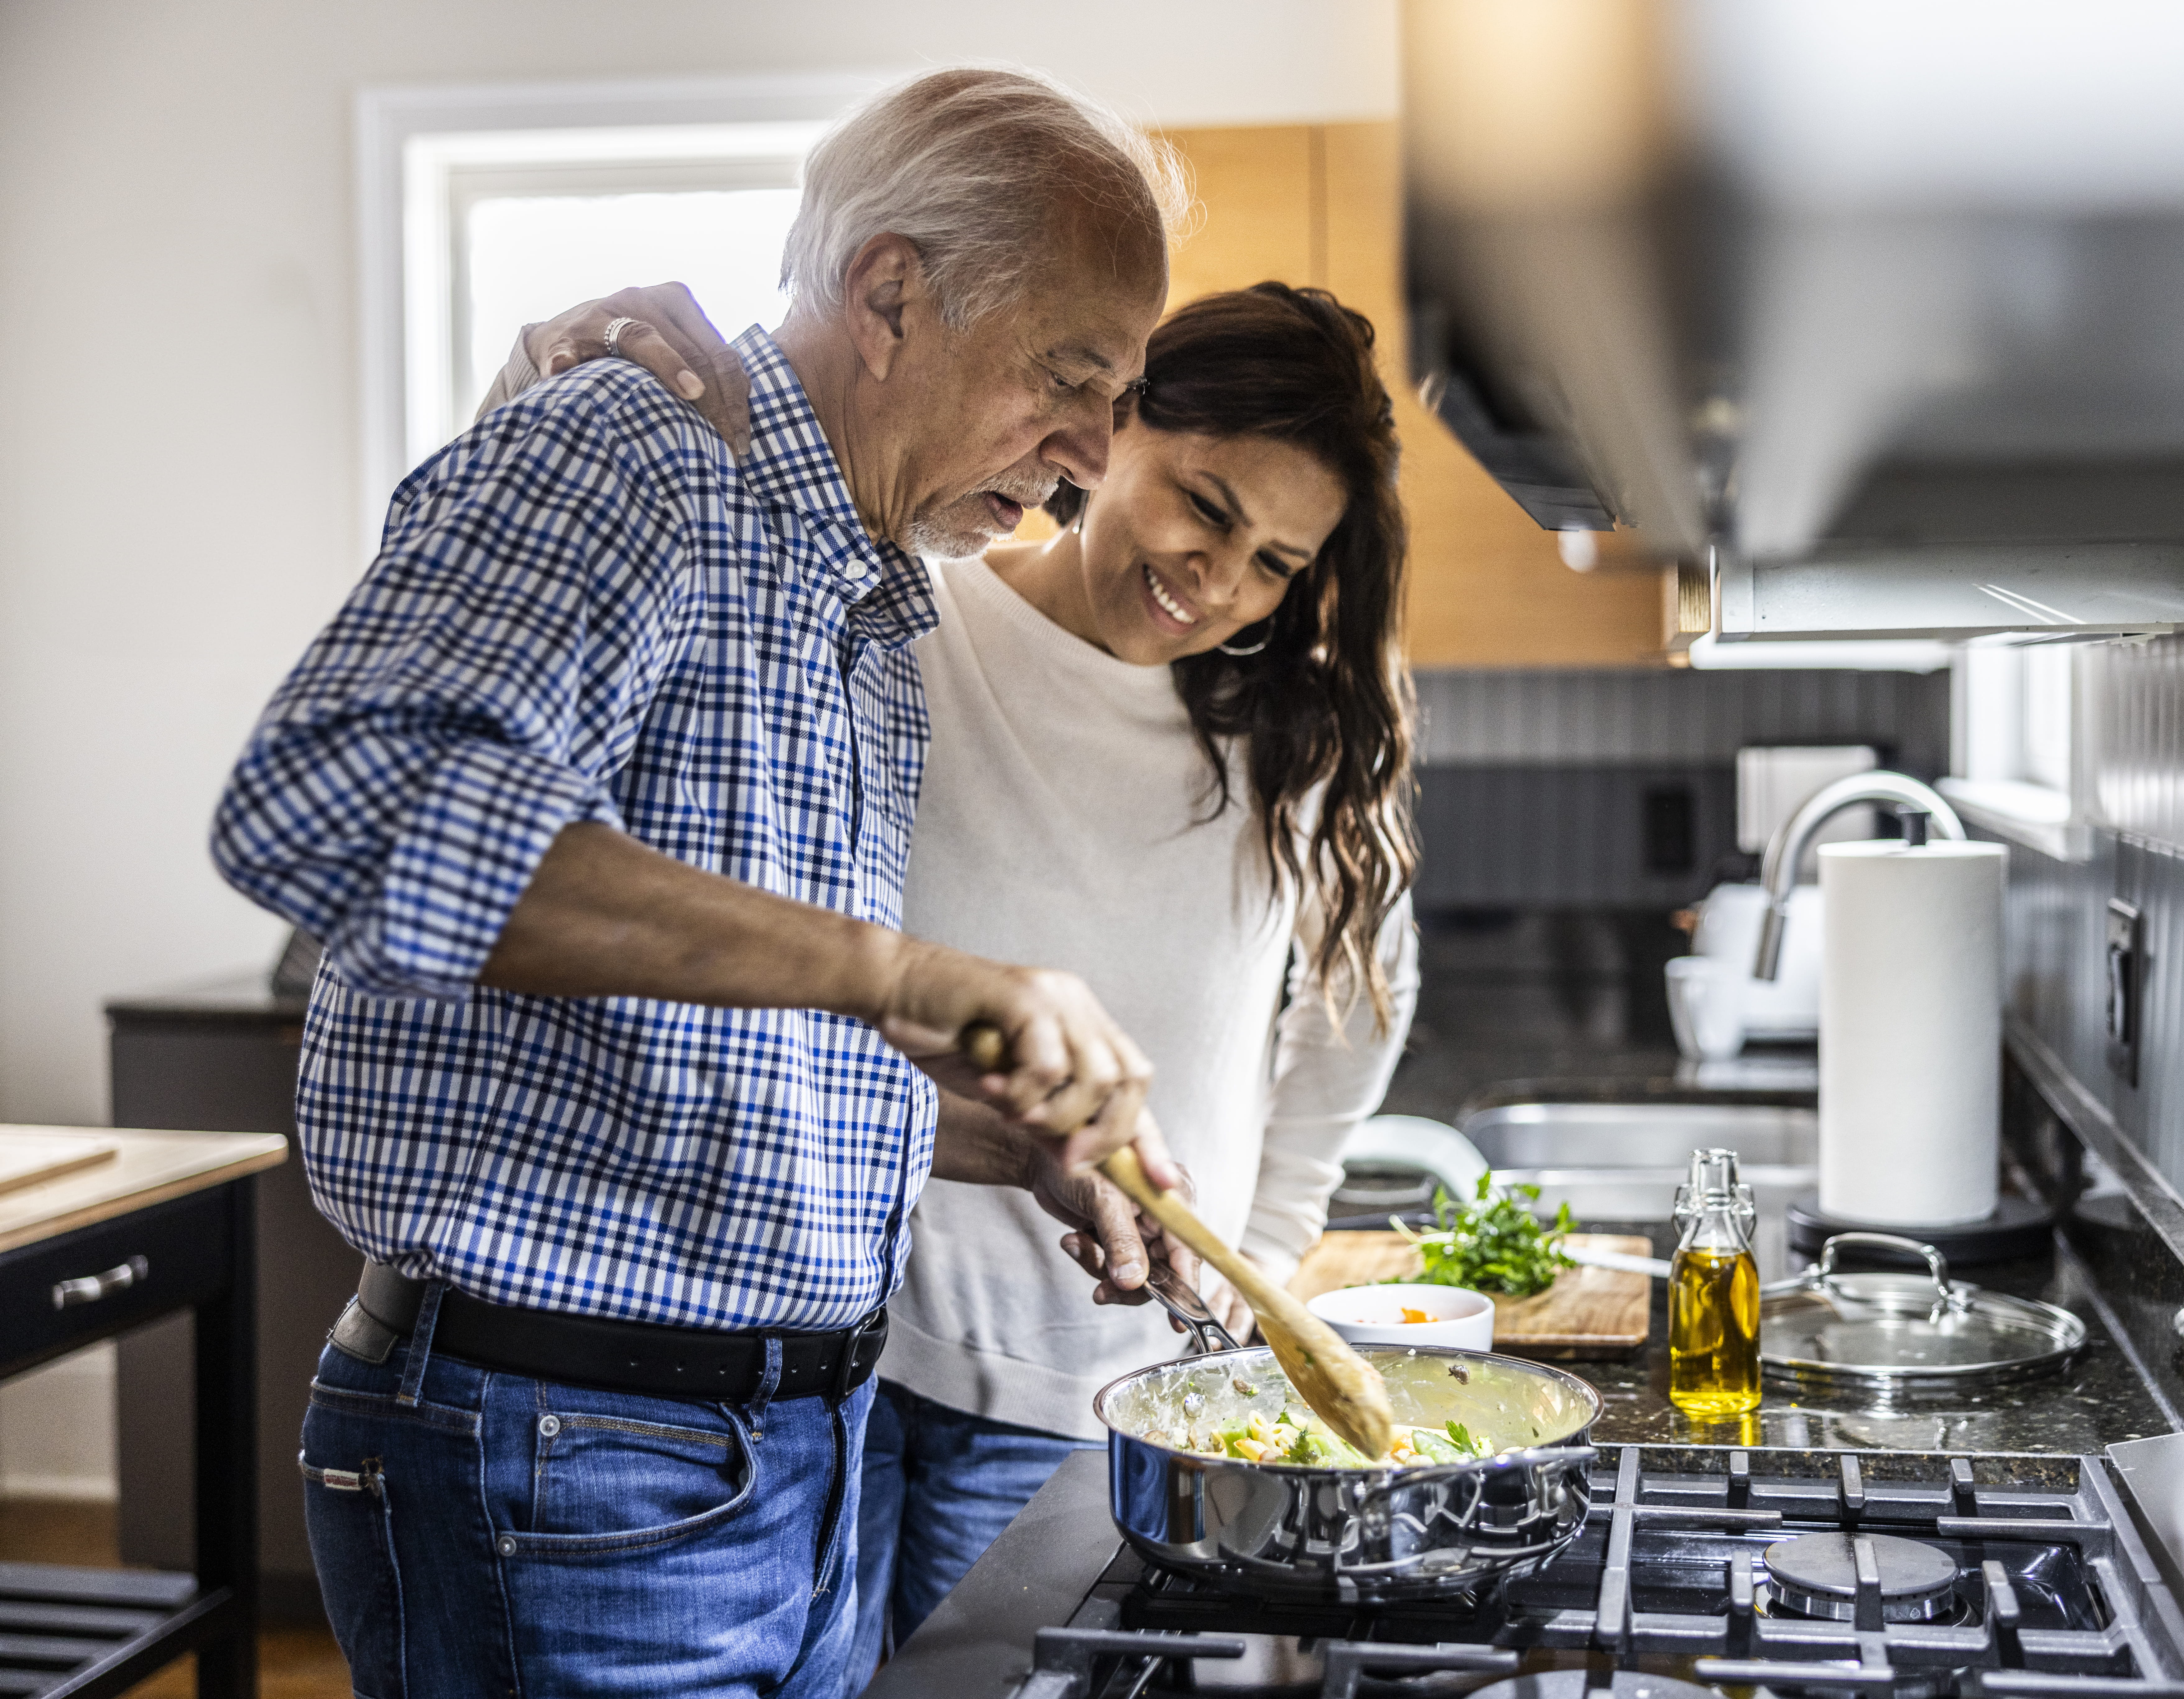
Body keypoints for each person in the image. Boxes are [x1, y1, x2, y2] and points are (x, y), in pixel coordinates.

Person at [209, 67, 1199, 1698]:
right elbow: (342, 810)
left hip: (782, 1460)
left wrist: (1002, 1138)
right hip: (572, 1459)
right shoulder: (630, 454)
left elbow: (704, 1042)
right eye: (1069, 379)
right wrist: (907, 974)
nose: (1095, 461)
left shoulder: (867, 602)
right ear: (890, 295)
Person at [501, 279, 1420, 1683]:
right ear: (1110, 428)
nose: (1217, 581)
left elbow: (1361, 1011)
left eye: (1276, 564)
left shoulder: (1288, 740)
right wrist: (531, 399)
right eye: (1205, 504)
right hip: (827, 1351)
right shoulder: (903, 616)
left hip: (1100, 1380)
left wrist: (1273, 1249)